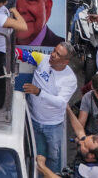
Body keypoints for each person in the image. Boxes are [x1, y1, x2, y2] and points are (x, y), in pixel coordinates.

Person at [24, 42, 77, 174]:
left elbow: (61, 102)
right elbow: (24, 55)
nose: (52, 55)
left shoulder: (70, 79)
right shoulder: (44, 59)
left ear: (65, 62)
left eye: (58, 54)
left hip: (53, 126)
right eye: (54, 50)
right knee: (37, 155)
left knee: (53, 158)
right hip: (34, 120)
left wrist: (39, 92)